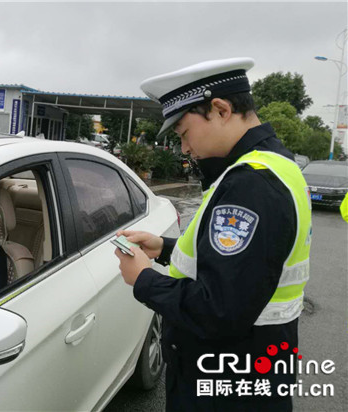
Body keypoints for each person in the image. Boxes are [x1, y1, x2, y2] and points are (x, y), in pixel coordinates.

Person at [115, 58, 311, 412]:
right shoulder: (272, 164)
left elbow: (218, 309)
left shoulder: (250, 184)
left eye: (184, 134)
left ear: (220, 109)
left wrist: (143, 279)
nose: (186, 150)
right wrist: (164, 248)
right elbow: (243, 263)